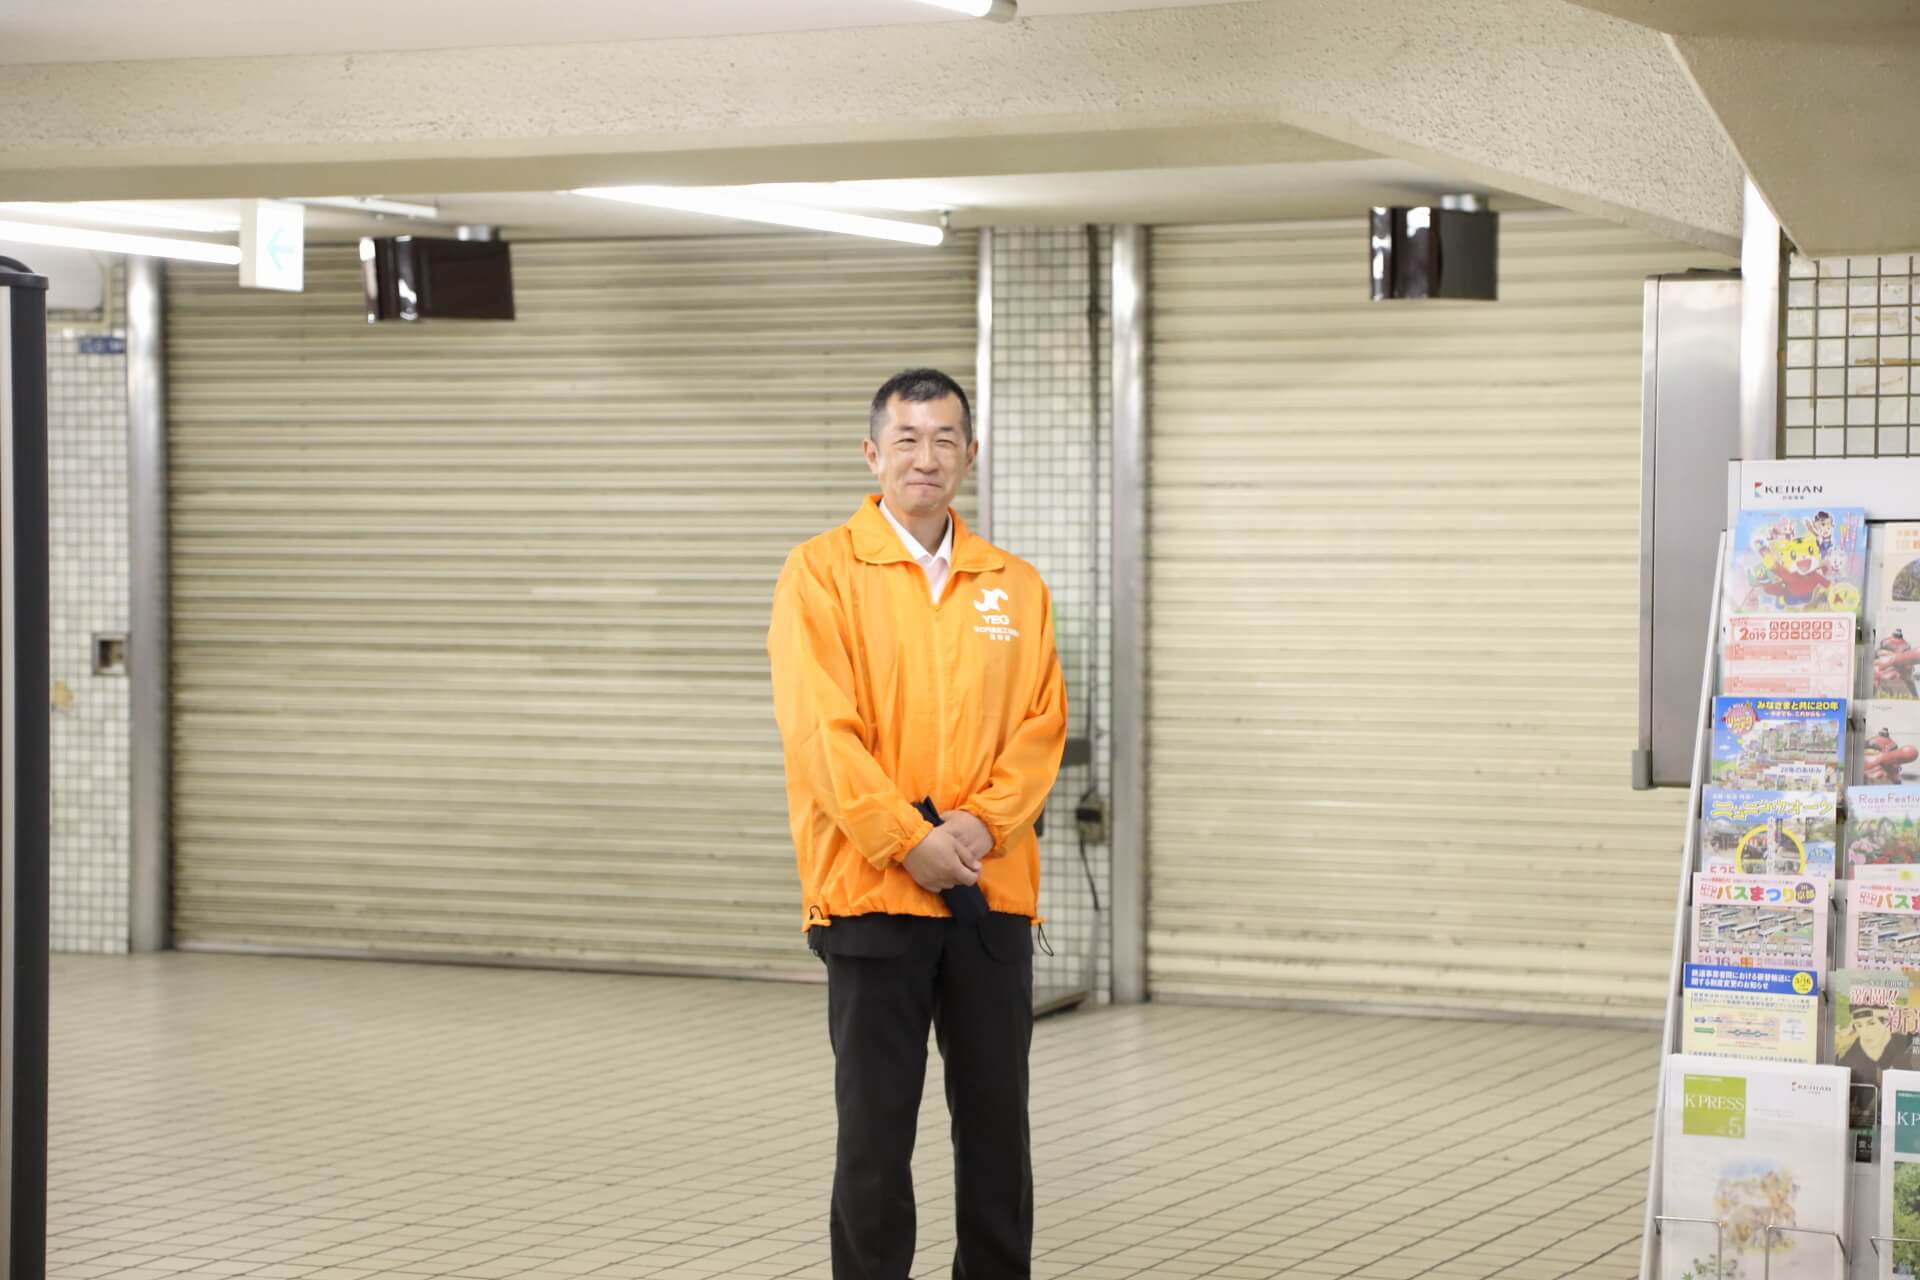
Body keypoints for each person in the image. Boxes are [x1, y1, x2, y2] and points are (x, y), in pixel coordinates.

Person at [767, 368, 1067, 1280]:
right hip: (870, 897)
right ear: (873, 453)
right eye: (907, 439)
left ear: (970, 455)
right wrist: (909, 842)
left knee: (998, 1133)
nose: (925, 457)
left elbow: (1041, 727)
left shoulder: (1014, 585)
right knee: (874, 1135)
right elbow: (821, 733)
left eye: (943, 440)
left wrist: (979, 827)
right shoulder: (821, 573)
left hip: (988, 894)